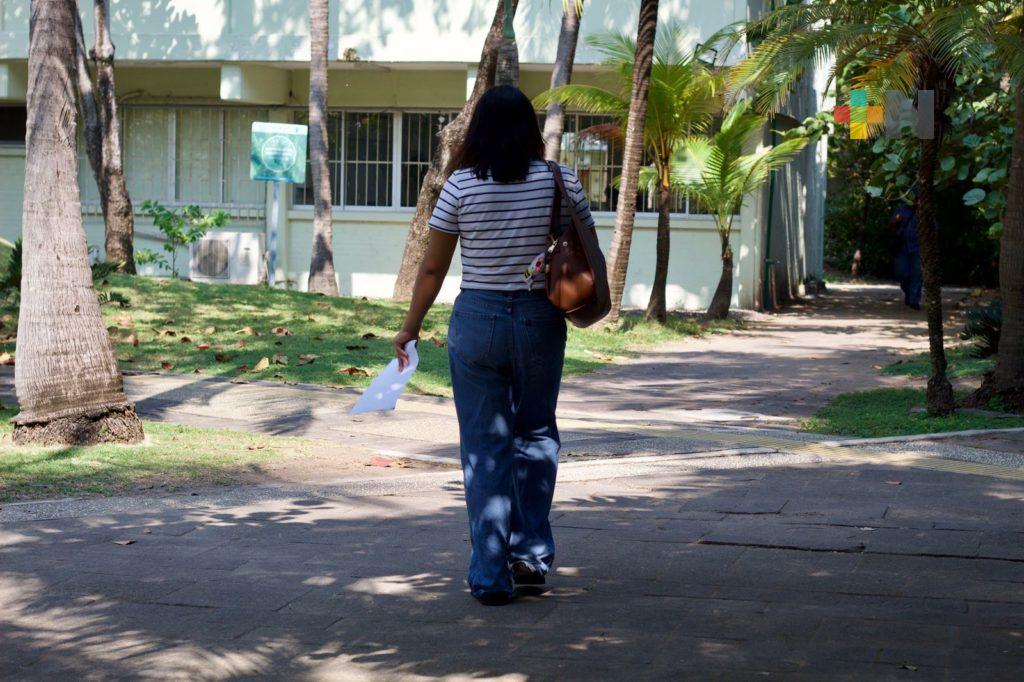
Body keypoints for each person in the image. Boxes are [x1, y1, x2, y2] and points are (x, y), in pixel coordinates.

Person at [393, 86, 596, 606]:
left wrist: (411, 326)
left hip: (477, 319)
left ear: (477, 130)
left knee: (485, 448)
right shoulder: (561, 180)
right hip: (538, 318)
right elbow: (586, 249)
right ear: (530, 128)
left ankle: (489, 574)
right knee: (536, 432)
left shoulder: (460, 185)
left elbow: (433, 268)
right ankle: (530, 555)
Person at [891, 202, 923, 310]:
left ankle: (914, 300)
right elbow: (891, 224)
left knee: (917, 273)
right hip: (902, 247)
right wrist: (896, 220)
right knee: (901, 273)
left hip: (919, 247)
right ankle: (909, 293)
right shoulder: (901, 209)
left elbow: (934, 228)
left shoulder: (925, 210)